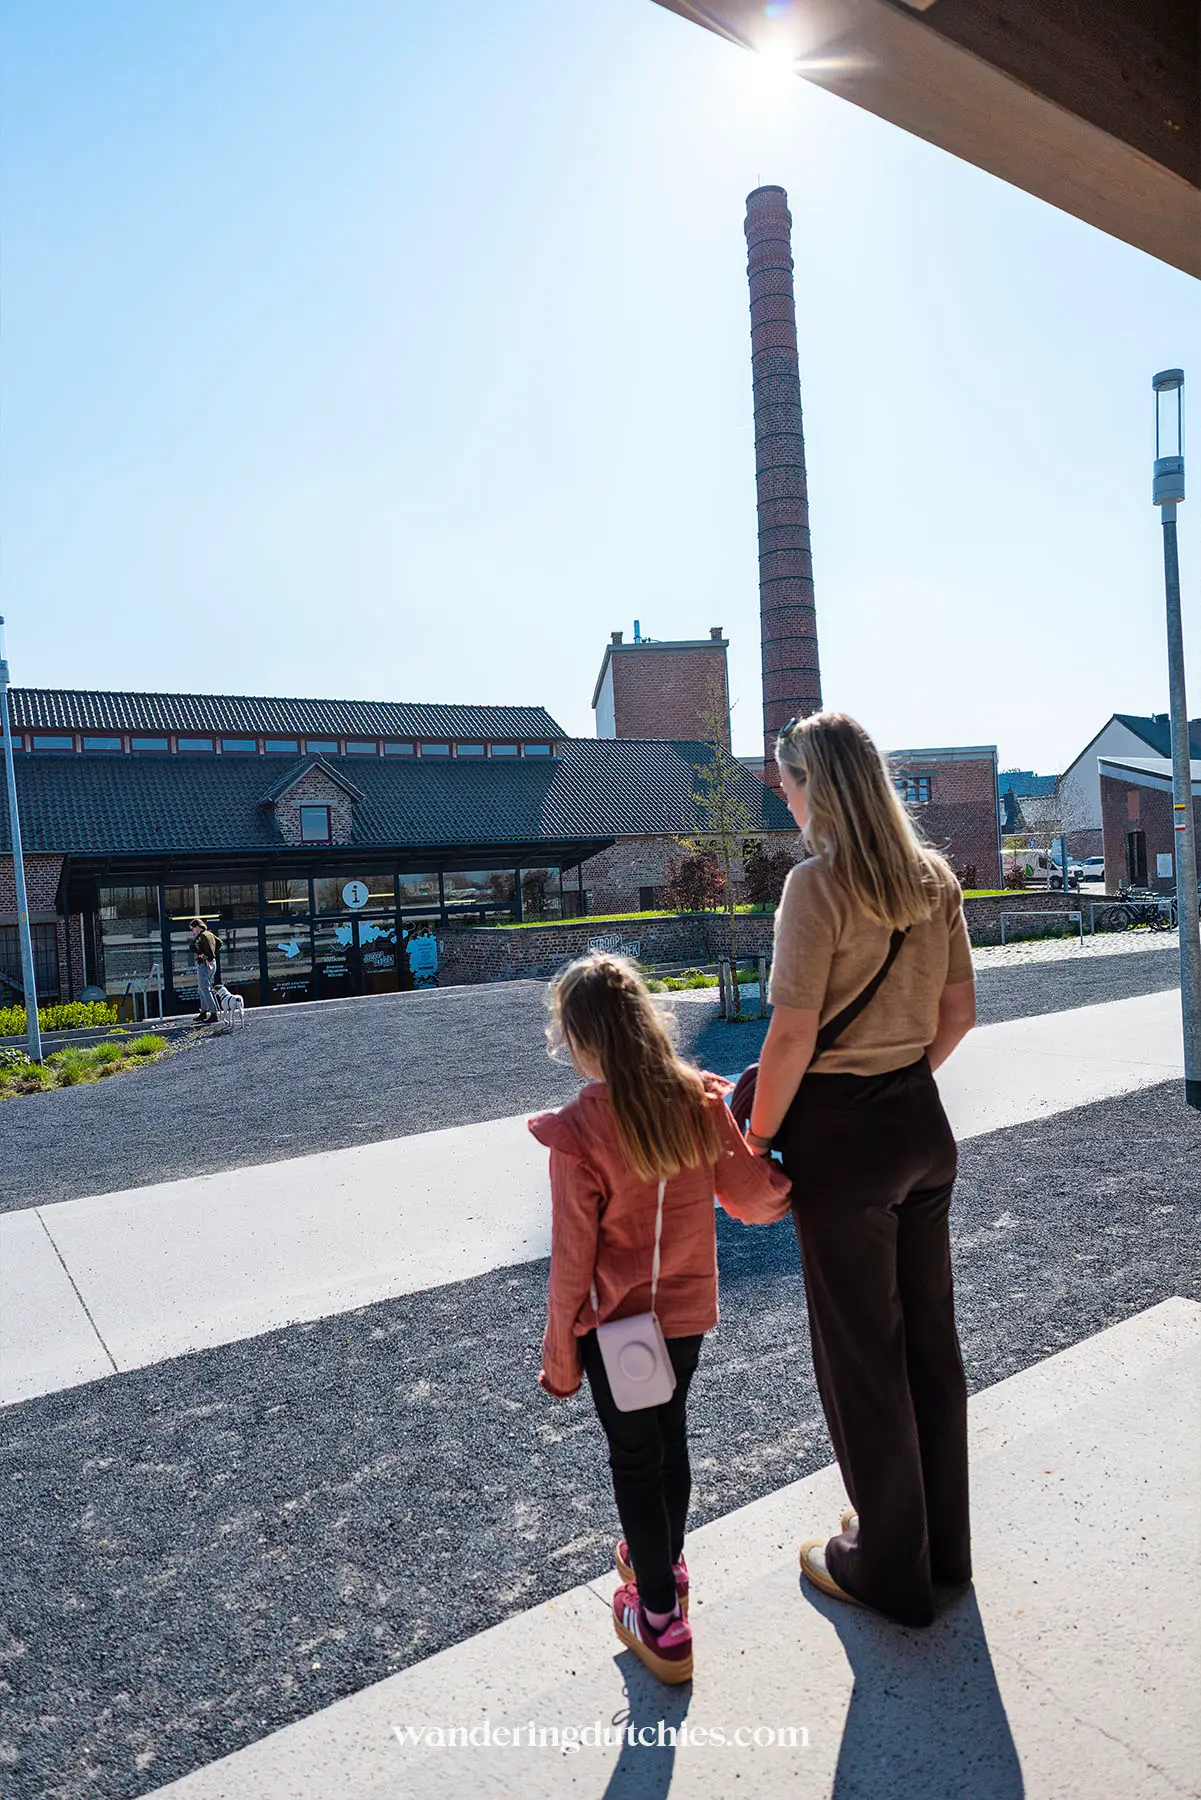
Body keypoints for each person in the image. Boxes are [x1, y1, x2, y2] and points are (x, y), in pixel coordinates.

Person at [745, 711, 976, 1628]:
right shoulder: (935, 880)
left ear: (818, 786)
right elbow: (957, 1017)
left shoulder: (815, 885)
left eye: (788, 783)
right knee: (928, 1343)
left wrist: (757, 1137)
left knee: (861, 1358)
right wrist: (900, 1087)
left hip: (842, 1140)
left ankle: (887, 1563)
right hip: (921, 1122)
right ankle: (938, 1548)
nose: (785, 799)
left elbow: (792, 1033)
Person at [530, 954, 791, 1685]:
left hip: (614, 1329)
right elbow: (752, 1200)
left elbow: (571, 1258)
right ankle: (665, 1572)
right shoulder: (699, 1100)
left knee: (634, 1461)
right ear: (646, 1019)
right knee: (669, 1440)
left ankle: (657, 1618)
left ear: (583, 1040)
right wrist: (786, 1172)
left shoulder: (580, 1128)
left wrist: (559, 1356)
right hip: (683, 1317)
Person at [188, 917, 221, 1023]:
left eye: (192, 928)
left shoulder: (201, 936)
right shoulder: (210, 934)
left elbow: (192, 946)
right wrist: (211, 952)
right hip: (212, 963)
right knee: (202, 988)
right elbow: (220, 942)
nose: (192, 931)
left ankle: (213, 1013)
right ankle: (203, 1012)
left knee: (204, 989)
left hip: (204, 964)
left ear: (197, 927)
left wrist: (201, 954)